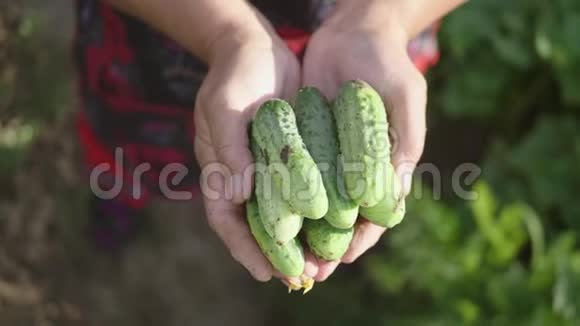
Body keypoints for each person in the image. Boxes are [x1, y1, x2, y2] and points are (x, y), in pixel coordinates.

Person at [74, 0, 465, 285]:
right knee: (136, 152)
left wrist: (383, 20)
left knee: (229, 162)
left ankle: (122, 195)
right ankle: (123, 197)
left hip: (371, 38)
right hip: (172, 27)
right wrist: (224, 33)